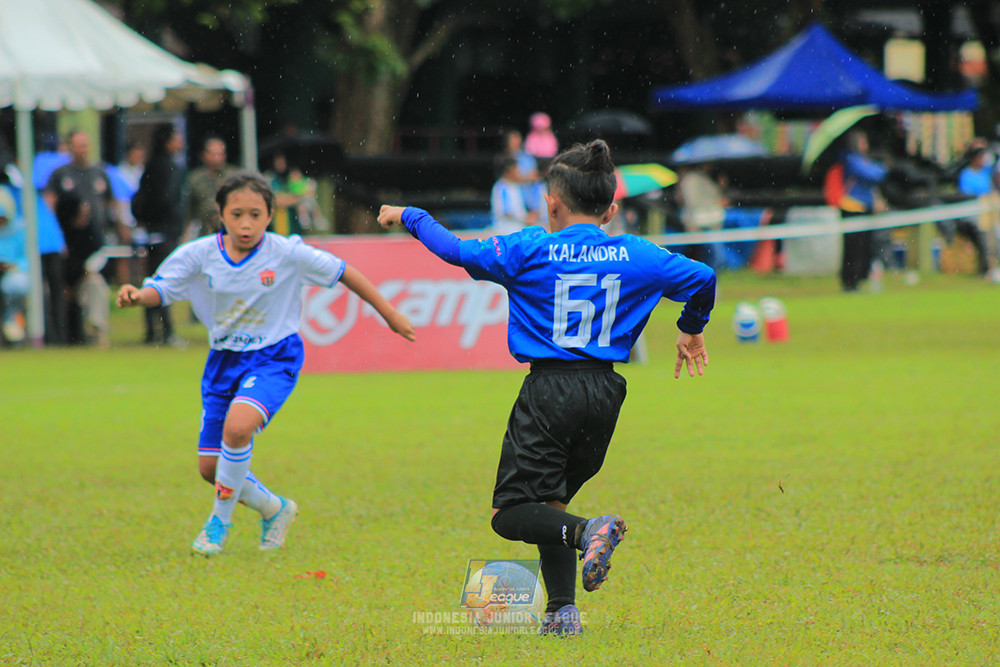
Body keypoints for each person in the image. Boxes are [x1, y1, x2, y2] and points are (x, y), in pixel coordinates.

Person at [377, 139, 715, 636]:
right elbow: (703, 277)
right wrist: (691, 326)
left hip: (549, 392)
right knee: (548, 504)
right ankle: (562, 614)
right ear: (612, 210)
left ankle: (588, 532)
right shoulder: (637, 253)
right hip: (605, 394)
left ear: (551, 204)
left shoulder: (528, 247)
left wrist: (411, 214)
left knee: (510, 513)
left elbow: (451, 250)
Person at [116, 171, 416, 557]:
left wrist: (389, 314)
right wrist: (136, 296)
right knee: (210, 468)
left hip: (274, 356)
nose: (246, 223)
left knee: (238, 429)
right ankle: (275, 509)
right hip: (223, 361)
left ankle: (218, 524)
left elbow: (345, 272)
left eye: (255, 214)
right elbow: (162, 288)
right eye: (236, 213)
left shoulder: (287, 253)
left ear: (270, 214)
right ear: (220, 214)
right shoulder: (200, 253)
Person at [45, 130, 117, 343]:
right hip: (64, 247)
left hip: (93, 245)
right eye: (78, 145)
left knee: (96, 284)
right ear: (69, 147)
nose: (83, 149)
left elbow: (110, 202)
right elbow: (49, 204)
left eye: (85, 144)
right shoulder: (60, 175)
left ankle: (98, 331)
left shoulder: (99, 173)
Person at [132, 124, 186, 346]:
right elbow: (166, 199)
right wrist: (167, 223)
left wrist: (146, 220)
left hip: (152, 231)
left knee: (152, 279)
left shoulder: (150, 165)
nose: (180, 142)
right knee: (165, 281)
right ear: (168, 141)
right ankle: (167, 332)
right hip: (165, 231)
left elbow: (139, 199)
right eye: (176, 138)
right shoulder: (170, 167)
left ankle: (151, 332)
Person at [833, 130, 888, 292]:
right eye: (862, 142)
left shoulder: (863, 160)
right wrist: (880, 168)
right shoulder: (850, 159)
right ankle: (849, 282)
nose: (865, 145)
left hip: (865, 208)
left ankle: (859, 279)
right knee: (852, 248)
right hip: (851, 208)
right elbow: (873, 174)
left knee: (864, 247)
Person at [953, 144, 996, 279]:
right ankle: (988, 268)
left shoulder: (986, 172)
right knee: (985, 239)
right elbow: (967, 196)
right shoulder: (967, 175)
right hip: (976, 212)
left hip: (990, 211)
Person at [185, 136, 238, 239]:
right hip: (205, 232)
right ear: (204, 155)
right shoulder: (195, 179)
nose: (217, 158)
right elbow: (189, 210)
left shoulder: (234, 176)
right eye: (213, 154)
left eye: (220, 154)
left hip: (230, 232)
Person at [0, 188, 29, 344]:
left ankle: (12, 322)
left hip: (15, 273)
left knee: (15, 285)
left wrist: (13, 266)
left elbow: (28, 258)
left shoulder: (20, 228)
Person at [490, 155, 537, 234]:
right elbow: (506, 212)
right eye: (516, 170)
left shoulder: (516, 186)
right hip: (505, 231)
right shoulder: (501, 187)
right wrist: (525, 218)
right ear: (509, 171)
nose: (519, 173)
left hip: (518, 229)